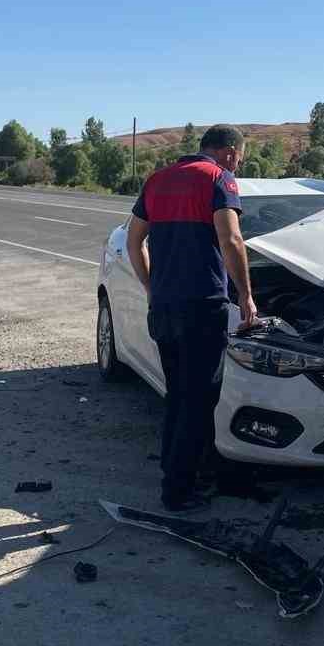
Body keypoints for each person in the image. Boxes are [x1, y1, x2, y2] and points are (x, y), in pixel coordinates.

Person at [125, 125, 257, 512]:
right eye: (240, 159)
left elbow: (134, 241)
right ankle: (179, 491)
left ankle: (176, 469)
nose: (238, 165)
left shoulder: (157, 180)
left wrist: (151, 288)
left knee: (179, 395)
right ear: (230, 153)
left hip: (164, 308)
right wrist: (246, 296)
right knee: (199, 401)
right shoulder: (220, 178)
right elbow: (231, 240)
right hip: (202, 306)